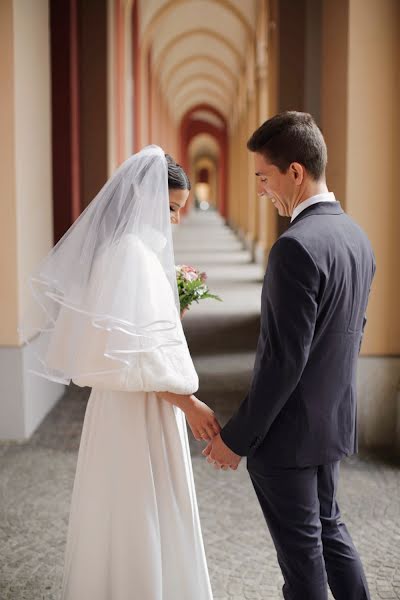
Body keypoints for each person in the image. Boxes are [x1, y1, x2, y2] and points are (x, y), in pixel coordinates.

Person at [19, 145, 217, 599]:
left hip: (117, 407)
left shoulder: (120, 251)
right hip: (140, 408)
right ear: (144, 201)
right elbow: (142, 359)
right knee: (142, 504)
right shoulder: (135, 257)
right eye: (168, 208)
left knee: (117, 505)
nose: (173, 220)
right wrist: (189, 404)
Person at [203, 112, 375, 599]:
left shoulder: (294, 248)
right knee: (331, 533)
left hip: (288, 439)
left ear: (294, 172)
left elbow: (283, 361)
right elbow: (348, 339)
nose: (260, 189)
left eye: (263, 176)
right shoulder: (357, 240)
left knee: (303, 563)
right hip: (331, 424)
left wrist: (236, 439)